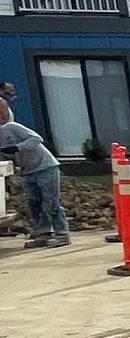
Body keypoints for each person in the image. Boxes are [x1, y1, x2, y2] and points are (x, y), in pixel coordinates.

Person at [0, 99, 69, 247]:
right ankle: (43, 232)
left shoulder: (12, 127)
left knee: (50, 201)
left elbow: (37, 139)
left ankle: (62, 234)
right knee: (34, 203)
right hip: (28, 171)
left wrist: (18, 147)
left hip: (45, 167)